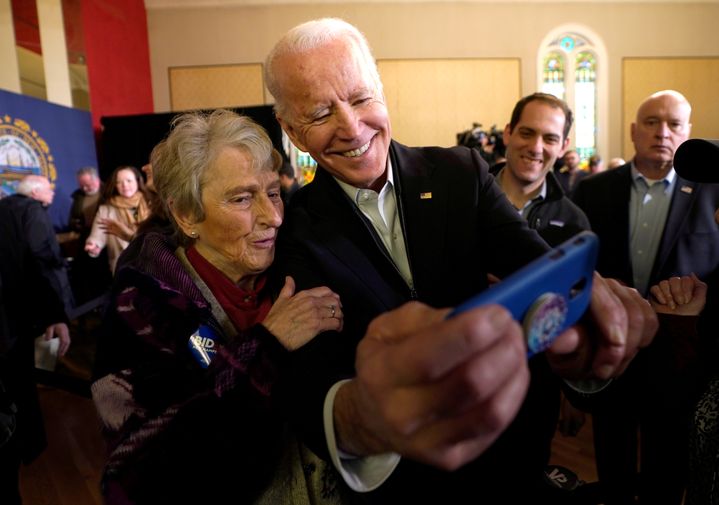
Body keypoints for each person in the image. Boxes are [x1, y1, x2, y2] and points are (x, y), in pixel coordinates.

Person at [264, 18, 657, 503]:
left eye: (362, 98)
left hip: (510, 455)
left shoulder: (459, 173)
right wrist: (360, 417)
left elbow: (535, 270)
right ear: (290, 131)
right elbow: (310, 378)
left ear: (381, 90)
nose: (352, 127)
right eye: (321, 113)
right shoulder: (292, 227)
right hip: (400, 481)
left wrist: (587, 316)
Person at [91, 109, 348, 505]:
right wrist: (268, 345)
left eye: (274, 192)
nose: (274, 217)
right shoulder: (141, 310)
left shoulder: (301, 270)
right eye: (242, 198)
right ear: (186, 214)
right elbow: (143, 481)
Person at [572, 91, 719, 504]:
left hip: (678, 355)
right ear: (634, 131)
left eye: (674, 124)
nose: (662, 132)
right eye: (652, 122)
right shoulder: (593, 190)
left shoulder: (711, 191)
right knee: (612, 452)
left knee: (667, 461)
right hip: (614, 346)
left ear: (688, 132)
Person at [0, 181, 71, 505]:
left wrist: (53, 313)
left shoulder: (9, 213)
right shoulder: (21, 211)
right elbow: (40, 259)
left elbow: (32, 264)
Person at [491, 92, 590, 247]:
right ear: (508, 134)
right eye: (526, 134)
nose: (536, 148)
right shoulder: (466, 201)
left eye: (550, 139)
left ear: (563, 147)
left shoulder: (574, 222)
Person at [0, 175, 74, 315]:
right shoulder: (33, 209)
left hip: (12, 288)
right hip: (44, 283)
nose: (52, 193)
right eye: (48, 189)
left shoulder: (3, 206)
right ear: (35, 192)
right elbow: (39, 248)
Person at [85, 165, 151, 274]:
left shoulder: (151, 203)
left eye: (128, 180)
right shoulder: (106, 209)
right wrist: (94, 245)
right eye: (119, 182)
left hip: (152, 262)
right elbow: (97, 235)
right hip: (124, 266)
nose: (124, 185)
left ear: (137, 181)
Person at [67, 166, 111, 304]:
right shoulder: (78, 197)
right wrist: (77, 224)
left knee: (104, 273)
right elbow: (72, 219)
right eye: (82, 185)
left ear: (97, 180)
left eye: (88, 184)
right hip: (85, 238)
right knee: (86, 273)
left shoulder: (109, 192)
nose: (85, 188)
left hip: (107, 237)